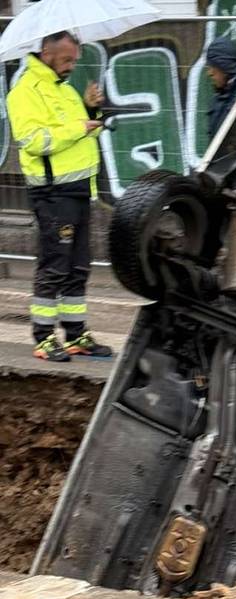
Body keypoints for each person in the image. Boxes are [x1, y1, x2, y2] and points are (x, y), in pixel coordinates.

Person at [6, 30, 111, 362]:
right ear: (46, 54)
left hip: (79, 191)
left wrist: (90, 110)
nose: (71, 66)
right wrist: (81, 126)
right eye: (66, 59)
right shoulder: (24, 92)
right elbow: (35, 141)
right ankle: (44, 337)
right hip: (53, 194)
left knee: (78, 266)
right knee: (55, 266)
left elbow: (77, 134)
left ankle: (76, 333)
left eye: (75, 60)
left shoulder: (64, 91)